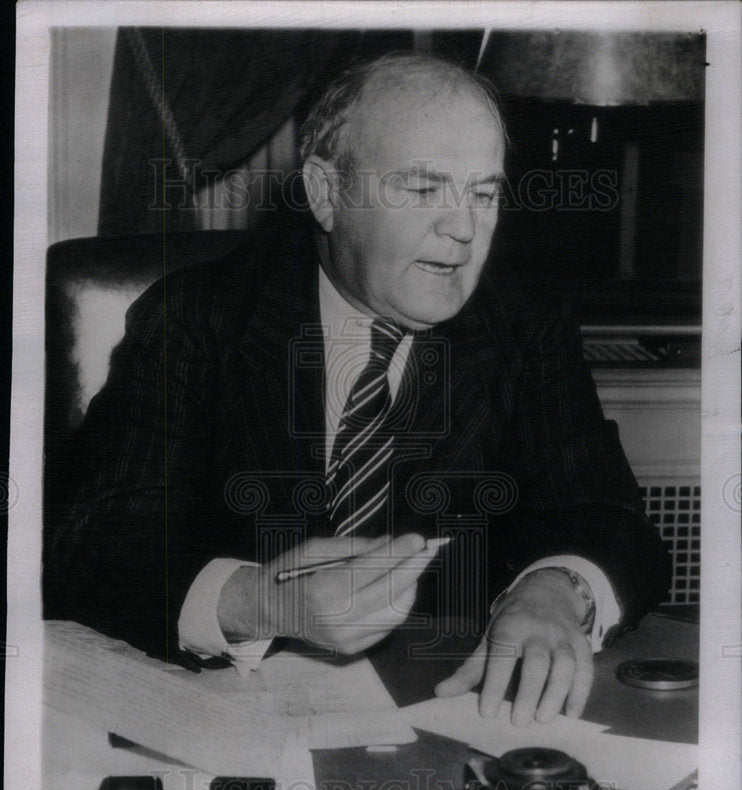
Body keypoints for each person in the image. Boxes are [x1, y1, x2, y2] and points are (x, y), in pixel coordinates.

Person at [48, 52, 670, 726]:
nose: (462, 228)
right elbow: (92, 537)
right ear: (326, 192)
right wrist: (259, 600)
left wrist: (558, 588)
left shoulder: (523, 328)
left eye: (482, 193)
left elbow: (610, 517)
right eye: (424, 188)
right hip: (222, 715)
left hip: (448, 714)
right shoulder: (201, 317)